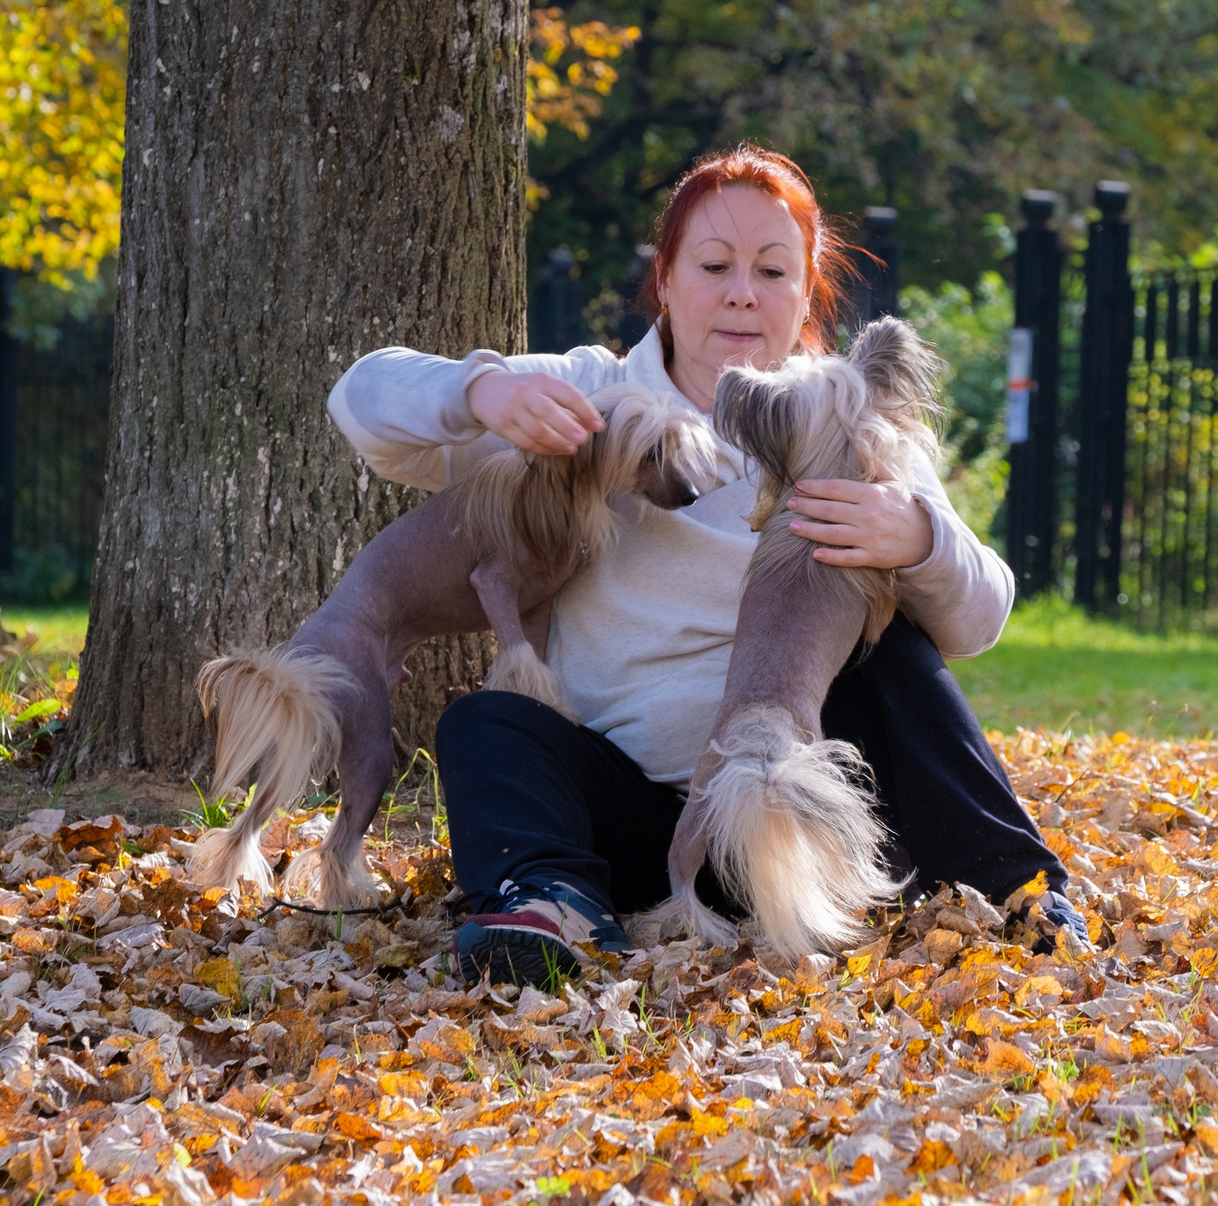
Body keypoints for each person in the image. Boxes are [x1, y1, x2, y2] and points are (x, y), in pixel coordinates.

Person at [328, 145, 1084, 982]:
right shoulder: (591, 393)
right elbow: (361, 400)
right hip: (630, 818)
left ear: (805, 291)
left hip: (799, 810)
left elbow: (982, 619)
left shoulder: (843, 417)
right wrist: (480, 393)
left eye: (772, 270)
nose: (741, 293)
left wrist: (918, 540)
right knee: (485, 724)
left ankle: (1020, 889)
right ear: (666, 279)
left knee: (897, 654)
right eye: (714, 265)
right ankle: (549, 902)